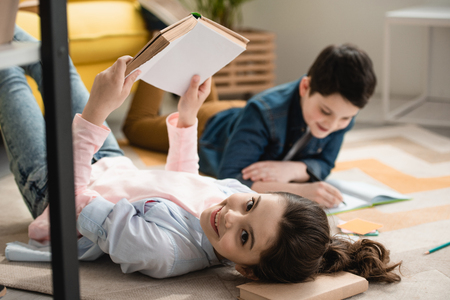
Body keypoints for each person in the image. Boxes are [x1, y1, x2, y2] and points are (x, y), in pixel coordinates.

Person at [1, 27, 401, 283]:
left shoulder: (162, 252)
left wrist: (94, 116)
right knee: (57, 59)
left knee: (10, 77)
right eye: (250, 202)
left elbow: (75, 204)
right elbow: (185, 181)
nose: (230, 214)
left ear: (244, 269)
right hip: (112, 164)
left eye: (243, 236)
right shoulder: (229, 194)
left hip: (57, 195)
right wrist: (187, 115)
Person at [122, 44, 376, 208]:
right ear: (305, 87)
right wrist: (299, 189)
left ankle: (190, 57)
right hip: (210, 128)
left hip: (241, 117)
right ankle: (164, 46)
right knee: (136, 127)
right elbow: (230, 178)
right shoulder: (263, 112)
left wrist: (293, 169)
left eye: (345, 119)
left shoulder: (340, 114)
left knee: (199, 88)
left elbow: (326, 163)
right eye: (325, 112)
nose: (333, 126)